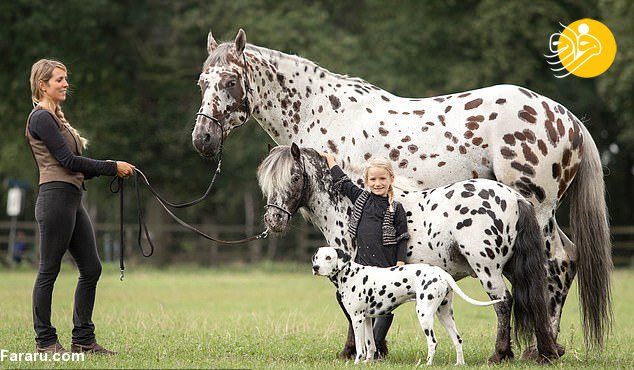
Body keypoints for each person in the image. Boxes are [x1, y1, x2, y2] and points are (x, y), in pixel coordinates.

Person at [26, 59, 135, 355]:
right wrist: (112, 166)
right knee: (48, 270)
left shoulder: (57, 120)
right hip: (55, 200)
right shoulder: (41, 119)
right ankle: (45, 341)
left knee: (91, 268)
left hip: (71, 199)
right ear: (43, 85)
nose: (65, 84)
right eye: (59, 80)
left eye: (65, 79)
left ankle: (83, 340)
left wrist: (115, 170)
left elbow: (75, 167)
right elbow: (68, 162)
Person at [321, 153, 409, 359]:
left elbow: (403, 237)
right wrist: (330, 160)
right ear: (366, 181)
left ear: (391, 180)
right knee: (341, 295)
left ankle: (378, 346)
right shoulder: (361, 198)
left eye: (382, 179)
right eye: (373, 179)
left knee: (385, 308)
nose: (378, 183)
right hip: (361, 266)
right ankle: (360, 329)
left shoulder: (396, 208)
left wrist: (400, 263)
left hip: (385, 267)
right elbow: (342, 182)